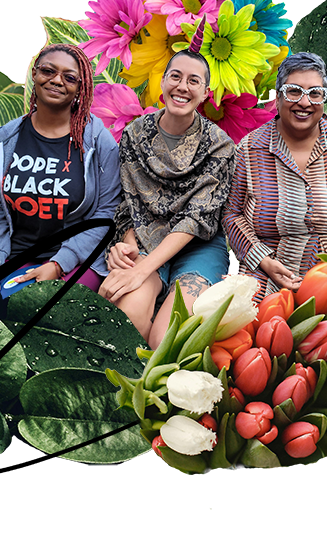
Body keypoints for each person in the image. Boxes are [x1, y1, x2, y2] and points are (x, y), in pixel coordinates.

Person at [99, 49, 235, 349]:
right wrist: (126, 248)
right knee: (126, 320)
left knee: (167, 340)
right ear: (162, 82)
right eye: (176, 76)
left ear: (205, 92)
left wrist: (140, 272)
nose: (182, 86)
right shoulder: (135, 135)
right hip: (147, 237)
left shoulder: (219, 146)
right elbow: (129, 203)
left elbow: (197, 218)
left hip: (197, 245)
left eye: (193, 81)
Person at [223, 51, 327, 302]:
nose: (305, 102)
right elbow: (232, 213)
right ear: (278, 96)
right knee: (258, 335)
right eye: (294, 91)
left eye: (315, 93)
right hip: (270, 277)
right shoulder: (250, 149)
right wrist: (263, 260)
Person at [0, 43, 121, 295]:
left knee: (46, 309)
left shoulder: (99, 143)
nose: (57, 81)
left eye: (69, 78)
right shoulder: (7, 139)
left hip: (75, 262)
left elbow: (105, 213)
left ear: (80, 87)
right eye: (48, 71)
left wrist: (58, 264)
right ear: (34, 74)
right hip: (16, 256)